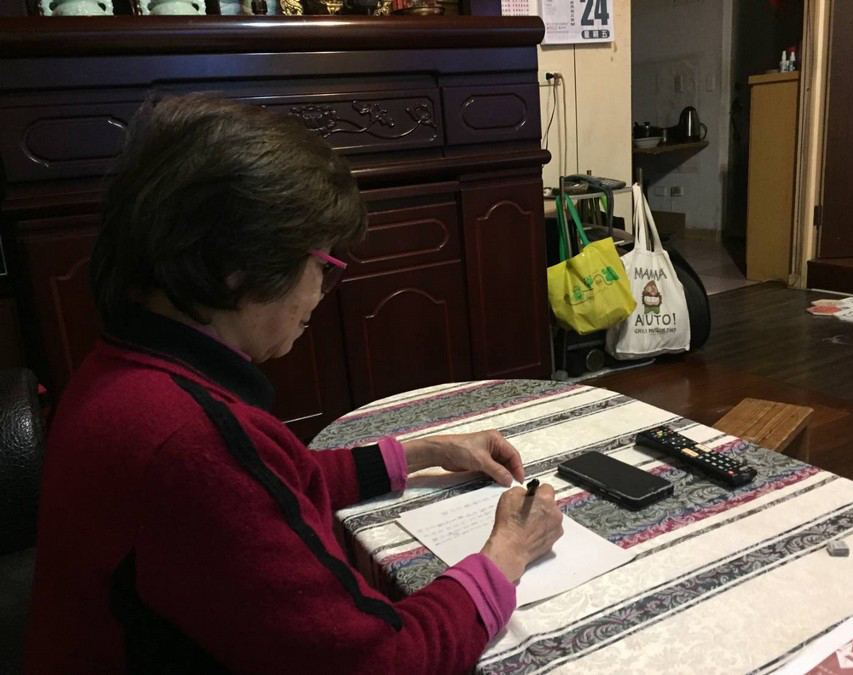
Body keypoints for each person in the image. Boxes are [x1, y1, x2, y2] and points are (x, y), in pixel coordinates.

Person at [25, 95, 564, 674]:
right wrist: (508, 552)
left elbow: (271, 483)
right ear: (239, 263)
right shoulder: (194, 445)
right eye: (323, 264)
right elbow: (385, 661)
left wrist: (427, 451)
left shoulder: (124, 372)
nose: (320, 292)